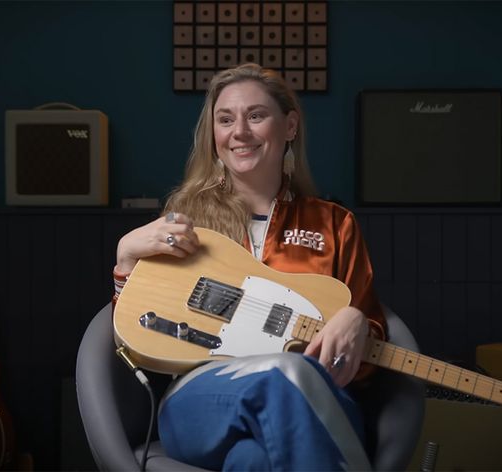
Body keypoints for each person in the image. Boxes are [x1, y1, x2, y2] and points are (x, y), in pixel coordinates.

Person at [112, 63, 387, 471]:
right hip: (202, 398)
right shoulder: (184, 222)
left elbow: (366, 358)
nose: (239, 131)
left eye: (255, 116)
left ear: (289, 126)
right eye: (225, 120)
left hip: (316, 397)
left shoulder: (334, 224)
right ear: (215, 136)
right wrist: (124, 263)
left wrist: (359, 322)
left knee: (252, 460)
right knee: (282, 375)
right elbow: (140, 330)